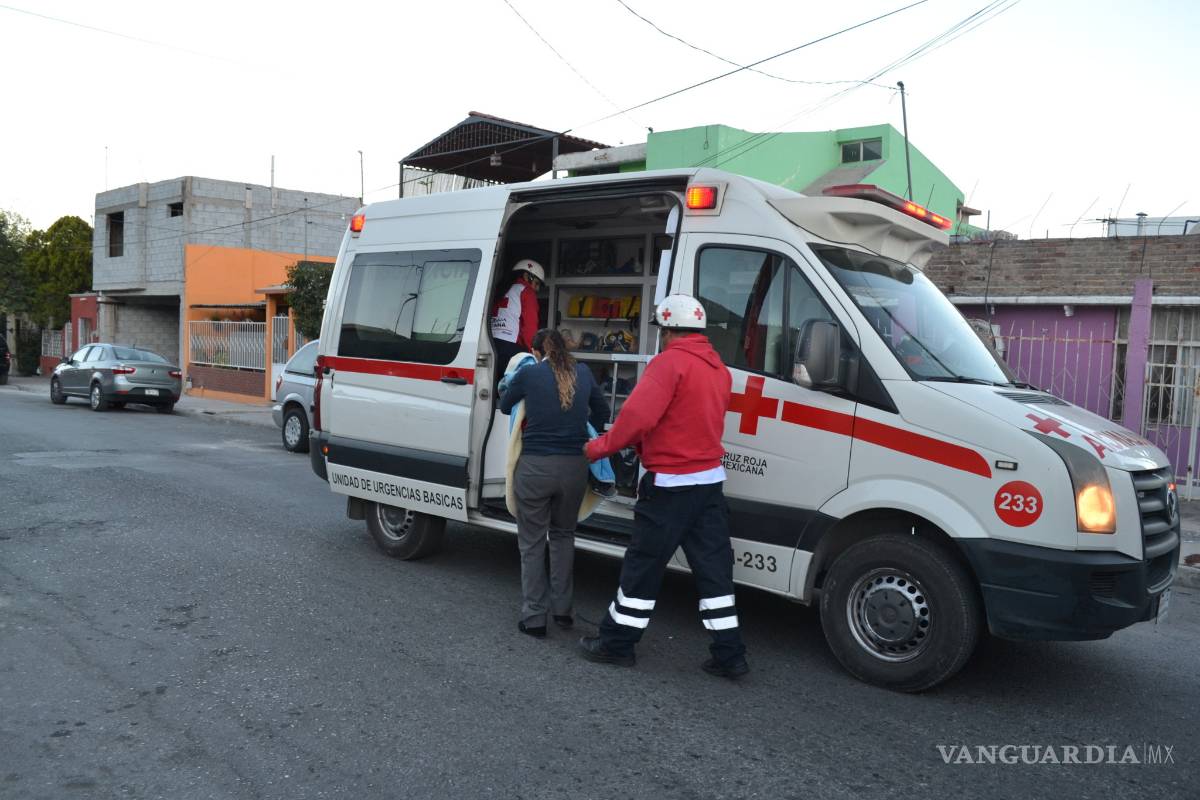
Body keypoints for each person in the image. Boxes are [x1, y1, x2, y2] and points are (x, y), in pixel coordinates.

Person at [578, 294, 749, 679]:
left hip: (670, 485)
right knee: (714, 571)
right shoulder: (719, 369)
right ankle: (730, 654)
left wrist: (597, 448)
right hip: (708, 484)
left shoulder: (668, 364)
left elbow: (637, 418)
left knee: (644, 566)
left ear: (669, 330)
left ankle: (617, 644)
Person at [500, 328, 609, 638]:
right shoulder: (584, 372)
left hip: (535, 468)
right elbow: (601, 411)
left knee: (532, 543)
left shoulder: (530, 374)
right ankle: (563, 611)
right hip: (575, 468)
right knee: (563, 536)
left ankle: (534, 617)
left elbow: (506, 405)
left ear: (537, 352)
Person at [490, 259, 545, 386]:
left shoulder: (501, 290)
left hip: (491, 344)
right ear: (527, 276)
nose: (536, 289)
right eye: (536, 283)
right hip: (511, 349)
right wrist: (534, 352)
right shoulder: (526, 291)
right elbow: (529, 327)